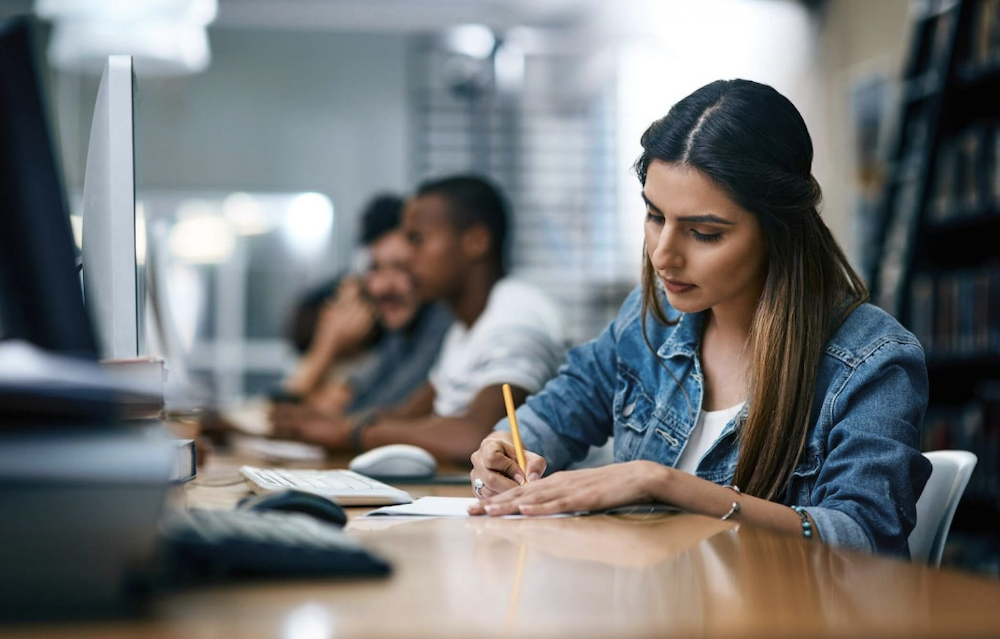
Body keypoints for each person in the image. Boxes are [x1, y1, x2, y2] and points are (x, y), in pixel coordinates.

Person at [467, 79, 931, 558]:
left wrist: (664, 484)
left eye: (704, 233)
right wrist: (500, 451)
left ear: (779, 231)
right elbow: (549, 417)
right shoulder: (649, 319)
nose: (663, 255)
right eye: (655, 216)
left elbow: (863, 540)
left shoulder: (872, 360)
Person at [274, 175, 567, 464]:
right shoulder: (463, 328)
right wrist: (313, 424)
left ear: (476, 241)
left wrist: (350, 433)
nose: (407, 257)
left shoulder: (517, 313)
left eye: (417, 240)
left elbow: (479, 438)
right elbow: (406, 416)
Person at [277, 194, 452, 415]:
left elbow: (378, 416)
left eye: (401, 267)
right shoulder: (397, 337)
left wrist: (327, 346)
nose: (382, 287)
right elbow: (361, 409)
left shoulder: (442, 322)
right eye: (374, 268)